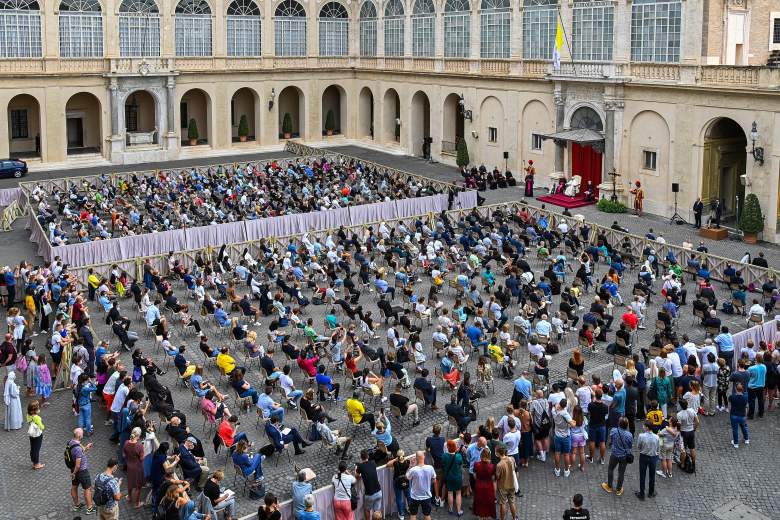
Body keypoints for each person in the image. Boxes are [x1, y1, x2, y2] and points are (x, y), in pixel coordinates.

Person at [601, 417, 633, 496]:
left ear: (619, 423)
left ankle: (609, 486)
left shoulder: (613, 431)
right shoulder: (629, 435)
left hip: (615, 454)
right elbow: (630, 445)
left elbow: (611, 440)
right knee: (621, 473)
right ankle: (618, 489)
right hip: (624, 456)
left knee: (611, 469)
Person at [67, 428, 95, 515]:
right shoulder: (78, 449)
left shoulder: (71, 442)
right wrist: (74, 474)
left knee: (74, 487)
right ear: (79, 436)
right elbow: (78, 465)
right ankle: (89, 508)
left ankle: (77, 505)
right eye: (82, 433)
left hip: (73, 469)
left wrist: (86, 448)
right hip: (81, 471)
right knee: (87, 489)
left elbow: (76, 453)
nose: (83, 435)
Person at [406, 451, 437, 520]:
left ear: (416, 458)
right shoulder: (430, 468)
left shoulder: (413, 470)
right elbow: (434, 480)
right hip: (426, 495)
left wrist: (411, 465)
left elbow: (407, 477)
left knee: (413, 515)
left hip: (415, 496)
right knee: (427, 515)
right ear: (424, 457)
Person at [635, 420, 659, 501]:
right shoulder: (657, 437)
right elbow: (658, 447)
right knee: (652, 475)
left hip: (643, 457)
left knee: (642, 475)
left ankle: (642, 494)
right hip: (653, 457)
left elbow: (638, 446)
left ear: (647, 427)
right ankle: (651, 492)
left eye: (644, 426)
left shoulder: (641, 436)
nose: (643, 427)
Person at [356, 449, 382, 520]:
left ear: (361, 458)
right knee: (377, 512)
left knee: (367, 509)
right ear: (368, 456)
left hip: (369, 494)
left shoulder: (360, 466)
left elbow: (357, 476)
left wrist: (356, 468)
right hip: (379, 491)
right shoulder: (373, 463)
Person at [552, 398, 575, 477]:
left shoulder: (554, 411)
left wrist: (556, 406)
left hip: (557, 435)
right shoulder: (565, 413)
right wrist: (573, 422)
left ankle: (557, 470)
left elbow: (554, 406)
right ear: (565, 406)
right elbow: (573, 425)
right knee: (566, 454)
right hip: (565, 436)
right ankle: (566, 470)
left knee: (557, 453)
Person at [123, 427, 145, 508]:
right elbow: (142, 458)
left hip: (129, 466)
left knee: (130, 482)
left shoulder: (126, 443)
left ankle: (129, 497)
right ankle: (137, 503)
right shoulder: (139, 446)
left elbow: (124, 454)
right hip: (138, 467)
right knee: (138, 486)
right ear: (138, 436)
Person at [494, 445, 517, 520]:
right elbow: (514, 469)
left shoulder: (499, 465)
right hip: (512, 484)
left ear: (498, 453)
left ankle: (502, 519)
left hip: (503, 486)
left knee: (503, 503)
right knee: (512, 502)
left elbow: (497, 477)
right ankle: (514, 518)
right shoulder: (512, 459)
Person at [441, 440, 463, 516]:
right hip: (457, 477)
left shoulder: (444, 456)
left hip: (449, 477)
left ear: (447, 447)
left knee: (450, 493)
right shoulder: (459, 456)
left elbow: (443, 464)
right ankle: (459, 510)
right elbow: (460, 464)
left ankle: (450, 509)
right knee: (458, 493)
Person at [676, 398, 699, 473]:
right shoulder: (692, 410)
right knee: (692, 448)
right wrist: (694, 429)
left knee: (683, 449)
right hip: (691, 431)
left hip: (683, 433)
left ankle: (682, 464)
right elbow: (697, 421)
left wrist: (679, 432)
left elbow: (679, 425)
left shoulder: (679, 414)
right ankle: (693, 463)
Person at [472, 449, 496, 520]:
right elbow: (493, 478)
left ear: (481, 455)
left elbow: (474, 476)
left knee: (480, 502)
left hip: (479, 485)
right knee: (488, 502)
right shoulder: (492, 466)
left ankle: (481, 517)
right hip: (488, 486)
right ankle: (487, 516)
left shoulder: (476, 464)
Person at [746, 352, 766, 419]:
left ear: (756, 359)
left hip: (752, 386)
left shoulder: (751, 368)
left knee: (751, 401)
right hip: (761, 386)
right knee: (760, 400)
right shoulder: (764, 366)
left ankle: (751, 415)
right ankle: (761, 413)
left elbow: (748, 376)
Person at [729, 383, 749, 448]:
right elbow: (746, 406)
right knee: (744, 427)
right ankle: (746, 439)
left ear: (735, 389)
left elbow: (729, 400)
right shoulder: (745, 397)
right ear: (742, 389)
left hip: (734, 415)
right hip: (742, 415)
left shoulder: (732, 397)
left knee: (735, 429)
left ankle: (736, 443)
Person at [27, 400, 45, 469]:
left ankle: (34, 462)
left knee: (33, 448)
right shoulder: (37, 418)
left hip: (31, 434)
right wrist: (42, 425)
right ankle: (37, 464)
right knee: (36, 449)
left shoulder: (28, 415)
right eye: (38, 408)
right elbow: (42, 427)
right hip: (37, 435)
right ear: (35, 410)